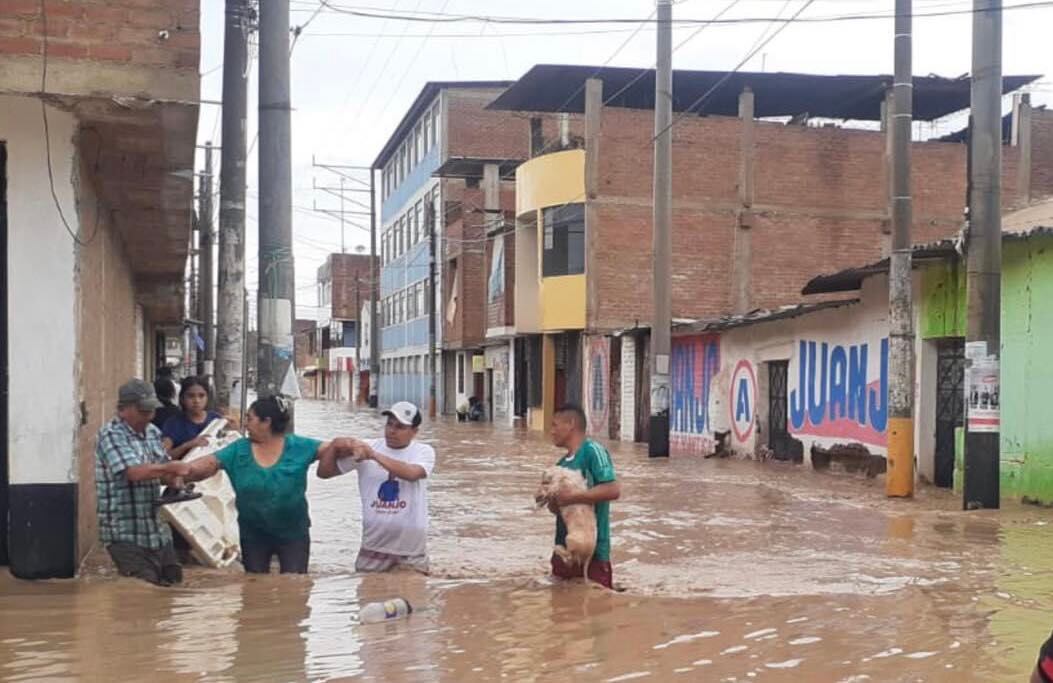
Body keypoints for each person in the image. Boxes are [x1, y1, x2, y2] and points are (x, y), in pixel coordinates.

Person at [182, 395, 345, 574]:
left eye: (250, 419)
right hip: (253, 535)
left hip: (293, 534)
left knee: (294, 588)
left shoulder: (299, 446)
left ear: (266, 422)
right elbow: (209, 464)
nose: (245, 424)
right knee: (254, 589)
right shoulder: (238, 449)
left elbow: (334, 449)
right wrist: (179, 472)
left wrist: (355, 446)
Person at [318, 401, 436, 574]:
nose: (392, 430)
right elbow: (324, 473)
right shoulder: (365, 448)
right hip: (373, 546)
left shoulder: (423, 451)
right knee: (369, 596)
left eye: (400, 427)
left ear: (414, 432)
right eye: (389, 424)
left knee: (412, 597)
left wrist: (373, 456)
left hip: (410, 550)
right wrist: (335, 446)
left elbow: (412, 473)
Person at [95, 378, 193, 586]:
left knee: (174, 583)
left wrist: (174, 479)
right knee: (142, 590)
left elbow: (162, 469)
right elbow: (133, 472)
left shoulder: (152, 433)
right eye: (143, 411)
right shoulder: (111, 435)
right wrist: (169, 468)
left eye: (152, 410)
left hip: (157, 531)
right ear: (123, 410)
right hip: (125, 534)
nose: (149, 416)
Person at [547, 404, 620, 589]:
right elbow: (557, 510)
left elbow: (612, 489)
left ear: (571, 424)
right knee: (560, 612)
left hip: (594, 551)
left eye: (555, 425)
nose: (551, 431)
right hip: (564, 550)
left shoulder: (593, 451)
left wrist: (572, 497)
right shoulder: (560, 464)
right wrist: (551, 499)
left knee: (596, 610)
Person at [161, 376, 222, 460]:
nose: (196, 401)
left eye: (201, 396)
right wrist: (188, 445)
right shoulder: (173, 423)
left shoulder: (216, 420)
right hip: (182, 471)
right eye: (191, 396)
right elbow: (164, 457)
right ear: (182, 398)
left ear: (207, 398)